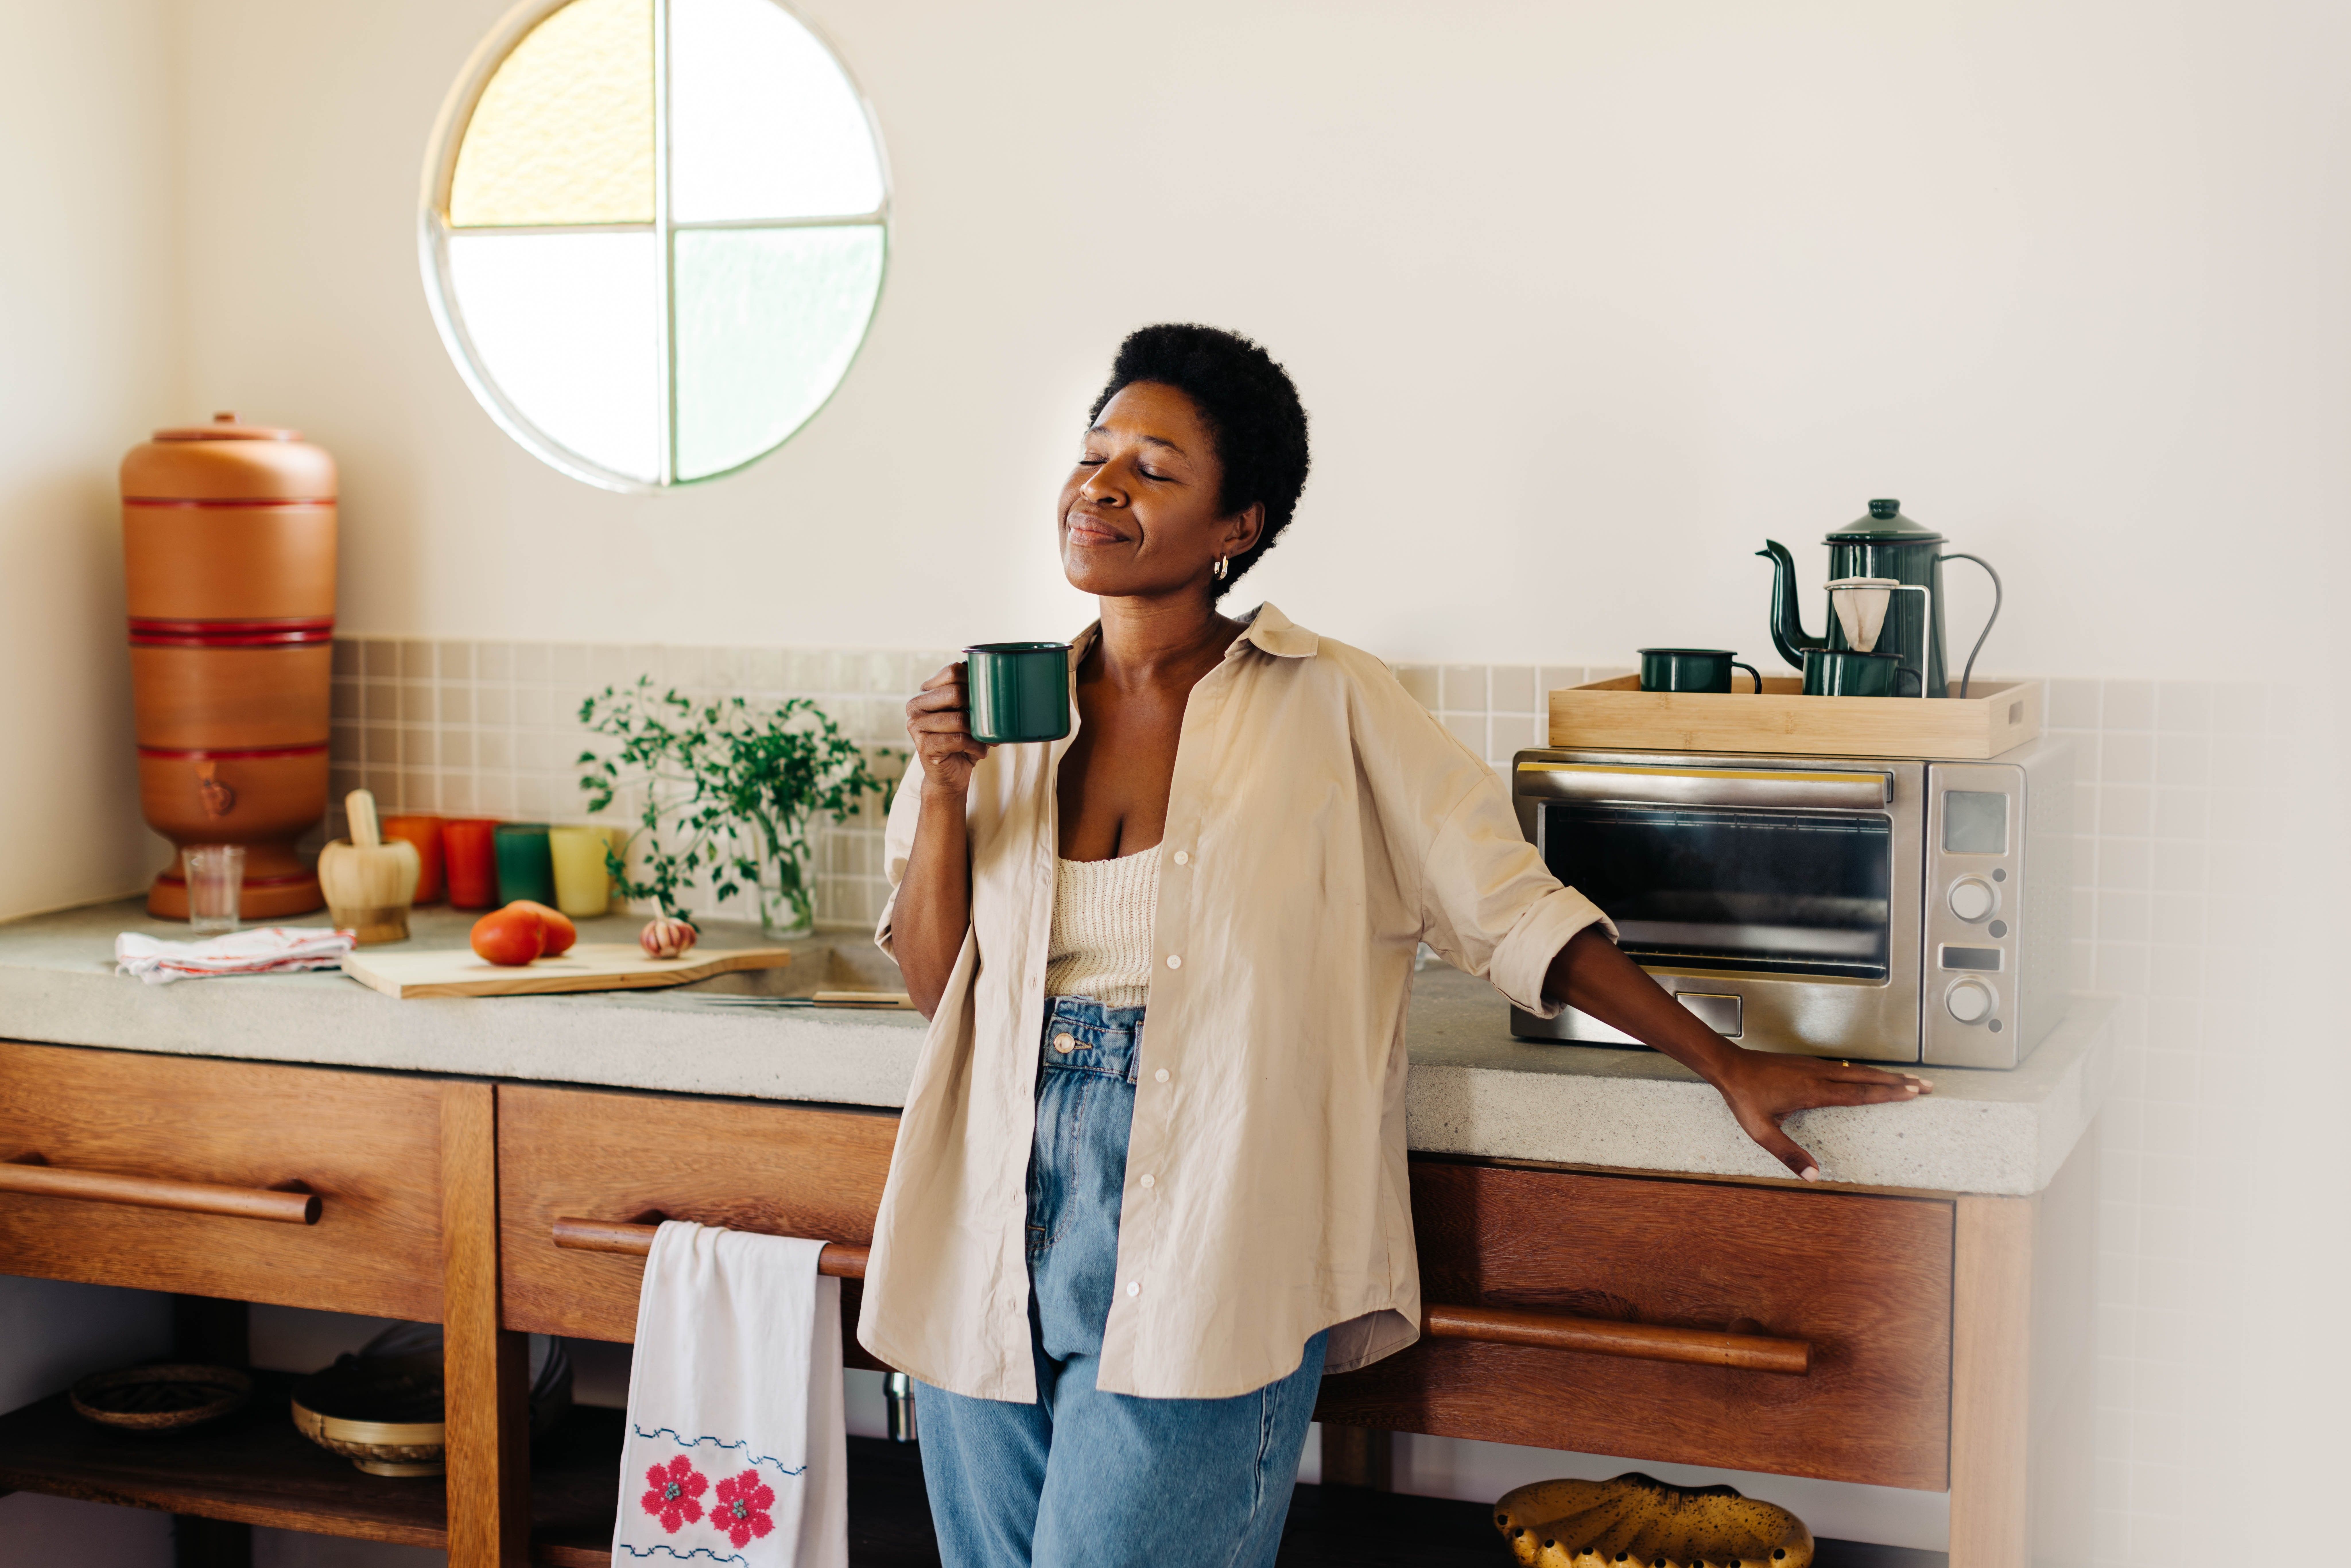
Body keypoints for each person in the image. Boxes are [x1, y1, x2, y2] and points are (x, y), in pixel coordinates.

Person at [859, 323, 1927, 1568]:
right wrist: (941, 793)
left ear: (1234, 526)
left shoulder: (1331, 701)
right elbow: (944, 995)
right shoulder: (1000, 710)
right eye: (1095, 453)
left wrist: (1719, 1059)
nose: (1100, 485)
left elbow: (1506, 907)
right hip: (986, 1206)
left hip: (1213, 1213)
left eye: (1153, 467)